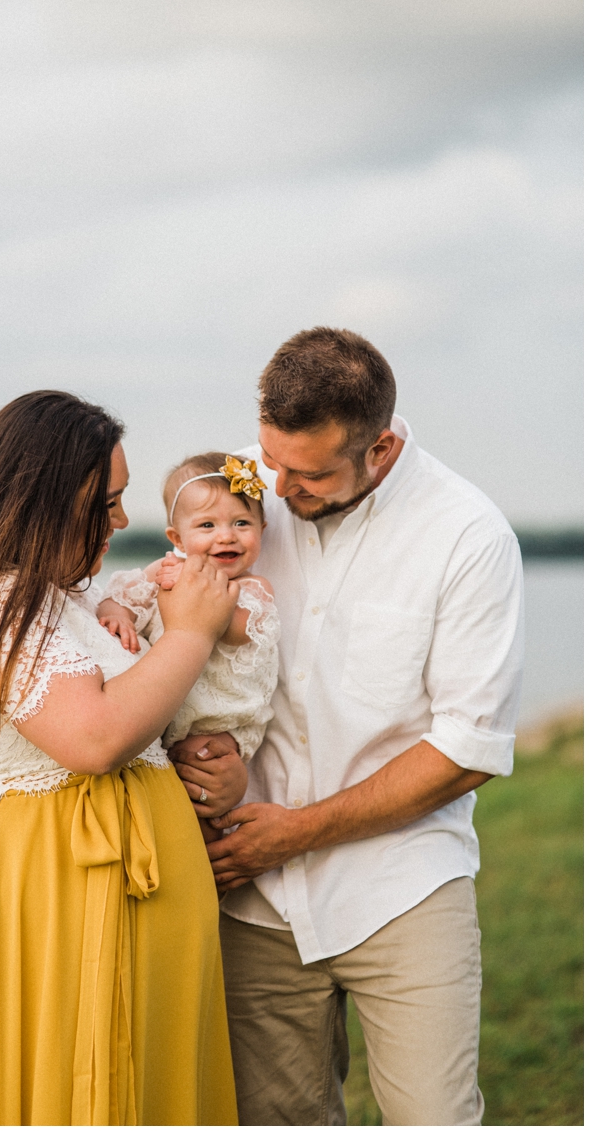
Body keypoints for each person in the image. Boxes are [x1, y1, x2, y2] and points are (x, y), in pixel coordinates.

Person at [0, 390, 244, 1125]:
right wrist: (190, 635)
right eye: (105, 502)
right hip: (41, 905)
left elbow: (140, 727)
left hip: (123, 904)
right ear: (45, 500)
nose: (120, 520)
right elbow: (91, 738)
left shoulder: (66, 598)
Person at [209, 327, 523, 1125]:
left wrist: (295, 832)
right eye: (271, 459)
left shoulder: (467, 535)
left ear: (379, 447)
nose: (278, 489)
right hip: (255, 900)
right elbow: (180, 577)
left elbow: (464, 751)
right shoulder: (250, 487)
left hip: (404, 887)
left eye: (308, 474)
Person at [97, 452, 281, 839]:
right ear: (177, 539)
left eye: (241, 523)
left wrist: (189, 585)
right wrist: (120, 616)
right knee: (158, 818)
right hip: (158, 724)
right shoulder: (162, 569)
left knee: (204, 807)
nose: (226, 535)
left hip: (217, 728)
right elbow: (119, 598)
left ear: (261, 530)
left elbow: (232, 629)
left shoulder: (250, 589)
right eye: (207, 525)